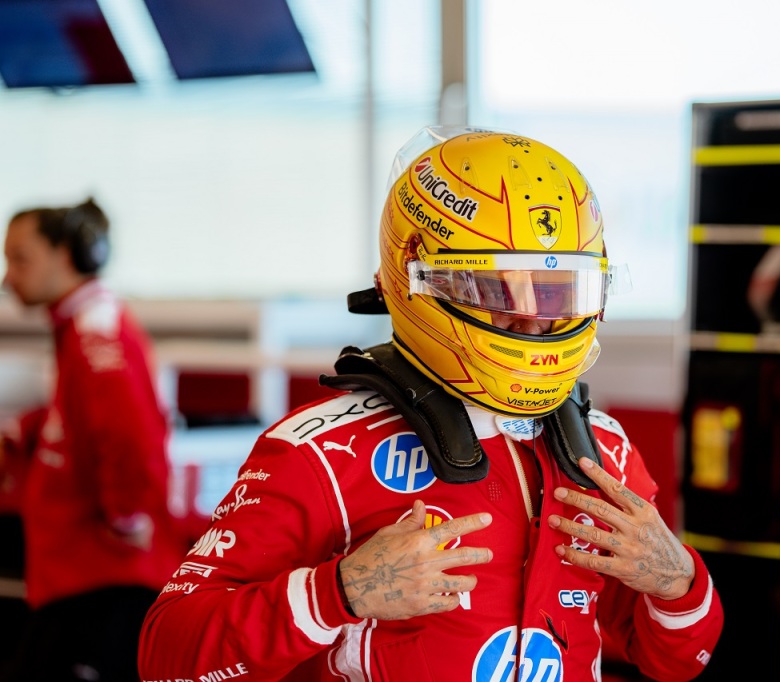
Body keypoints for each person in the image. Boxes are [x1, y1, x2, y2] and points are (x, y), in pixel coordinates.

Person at [138, 127, 723, 681]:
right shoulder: (323, 452)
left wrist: (678, 582)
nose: (534, 322)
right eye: (500, 292)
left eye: (556, 295)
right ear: (415, 279)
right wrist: (337, 593)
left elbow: (677, 662)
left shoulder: (604, 450)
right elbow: (165, 658)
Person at [0, 198, 181, 682]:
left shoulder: (96, 333)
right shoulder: (81, 325)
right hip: (78, 575)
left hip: (101, 576)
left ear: (65, 256)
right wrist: (24, 431)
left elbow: (128, 433)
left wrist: (125, 518)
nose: (8, 277)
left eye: (20, 259)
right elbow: (83, 414)